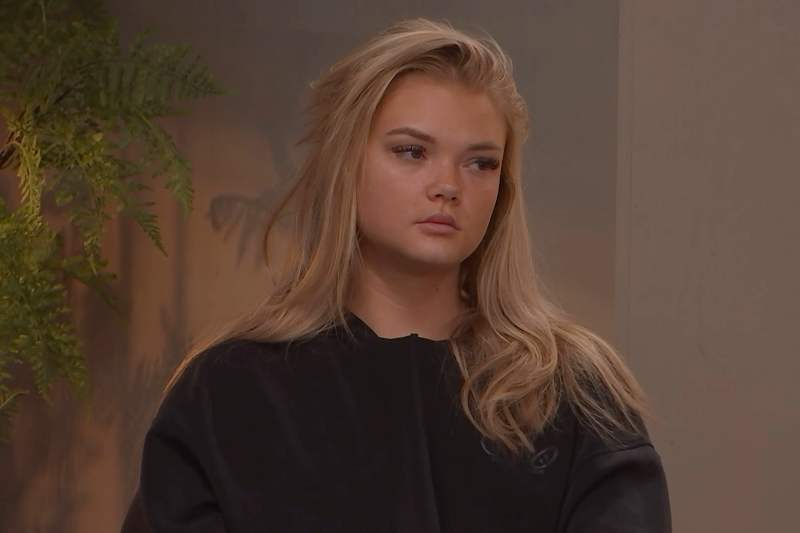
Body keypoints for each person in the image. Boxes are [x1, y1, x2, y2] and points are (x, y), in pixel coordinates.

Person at [121, 17, 671, 533]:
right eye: (411, 152)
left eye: (481, 162)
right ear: (344, 164)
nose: (448, 186)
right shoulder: (231, 390)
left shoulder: (570, 391)